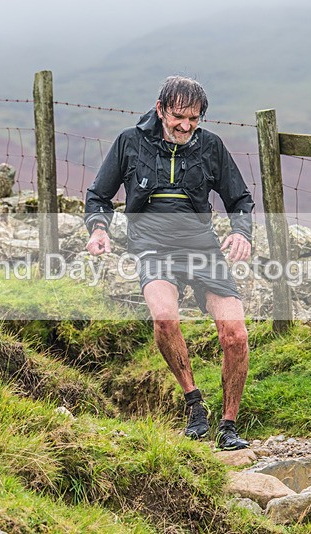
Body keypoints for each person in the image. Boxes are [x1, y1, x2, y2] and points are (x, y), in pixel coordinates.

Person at [84, 76, 255, 450]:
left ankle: (229, 425)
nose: (186, 126)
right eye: (178, 116)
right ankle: (195, 405)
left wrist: (242, 232)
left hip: (202, 247)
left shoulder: (211, 147)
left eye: (194, 118)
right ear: (160, 109)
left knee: (236, 336)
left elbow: (240, 199)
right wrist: (99, 228)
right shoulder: (130, 142)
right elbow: (98, 195)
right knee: (165, 317)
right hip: (151, 244)